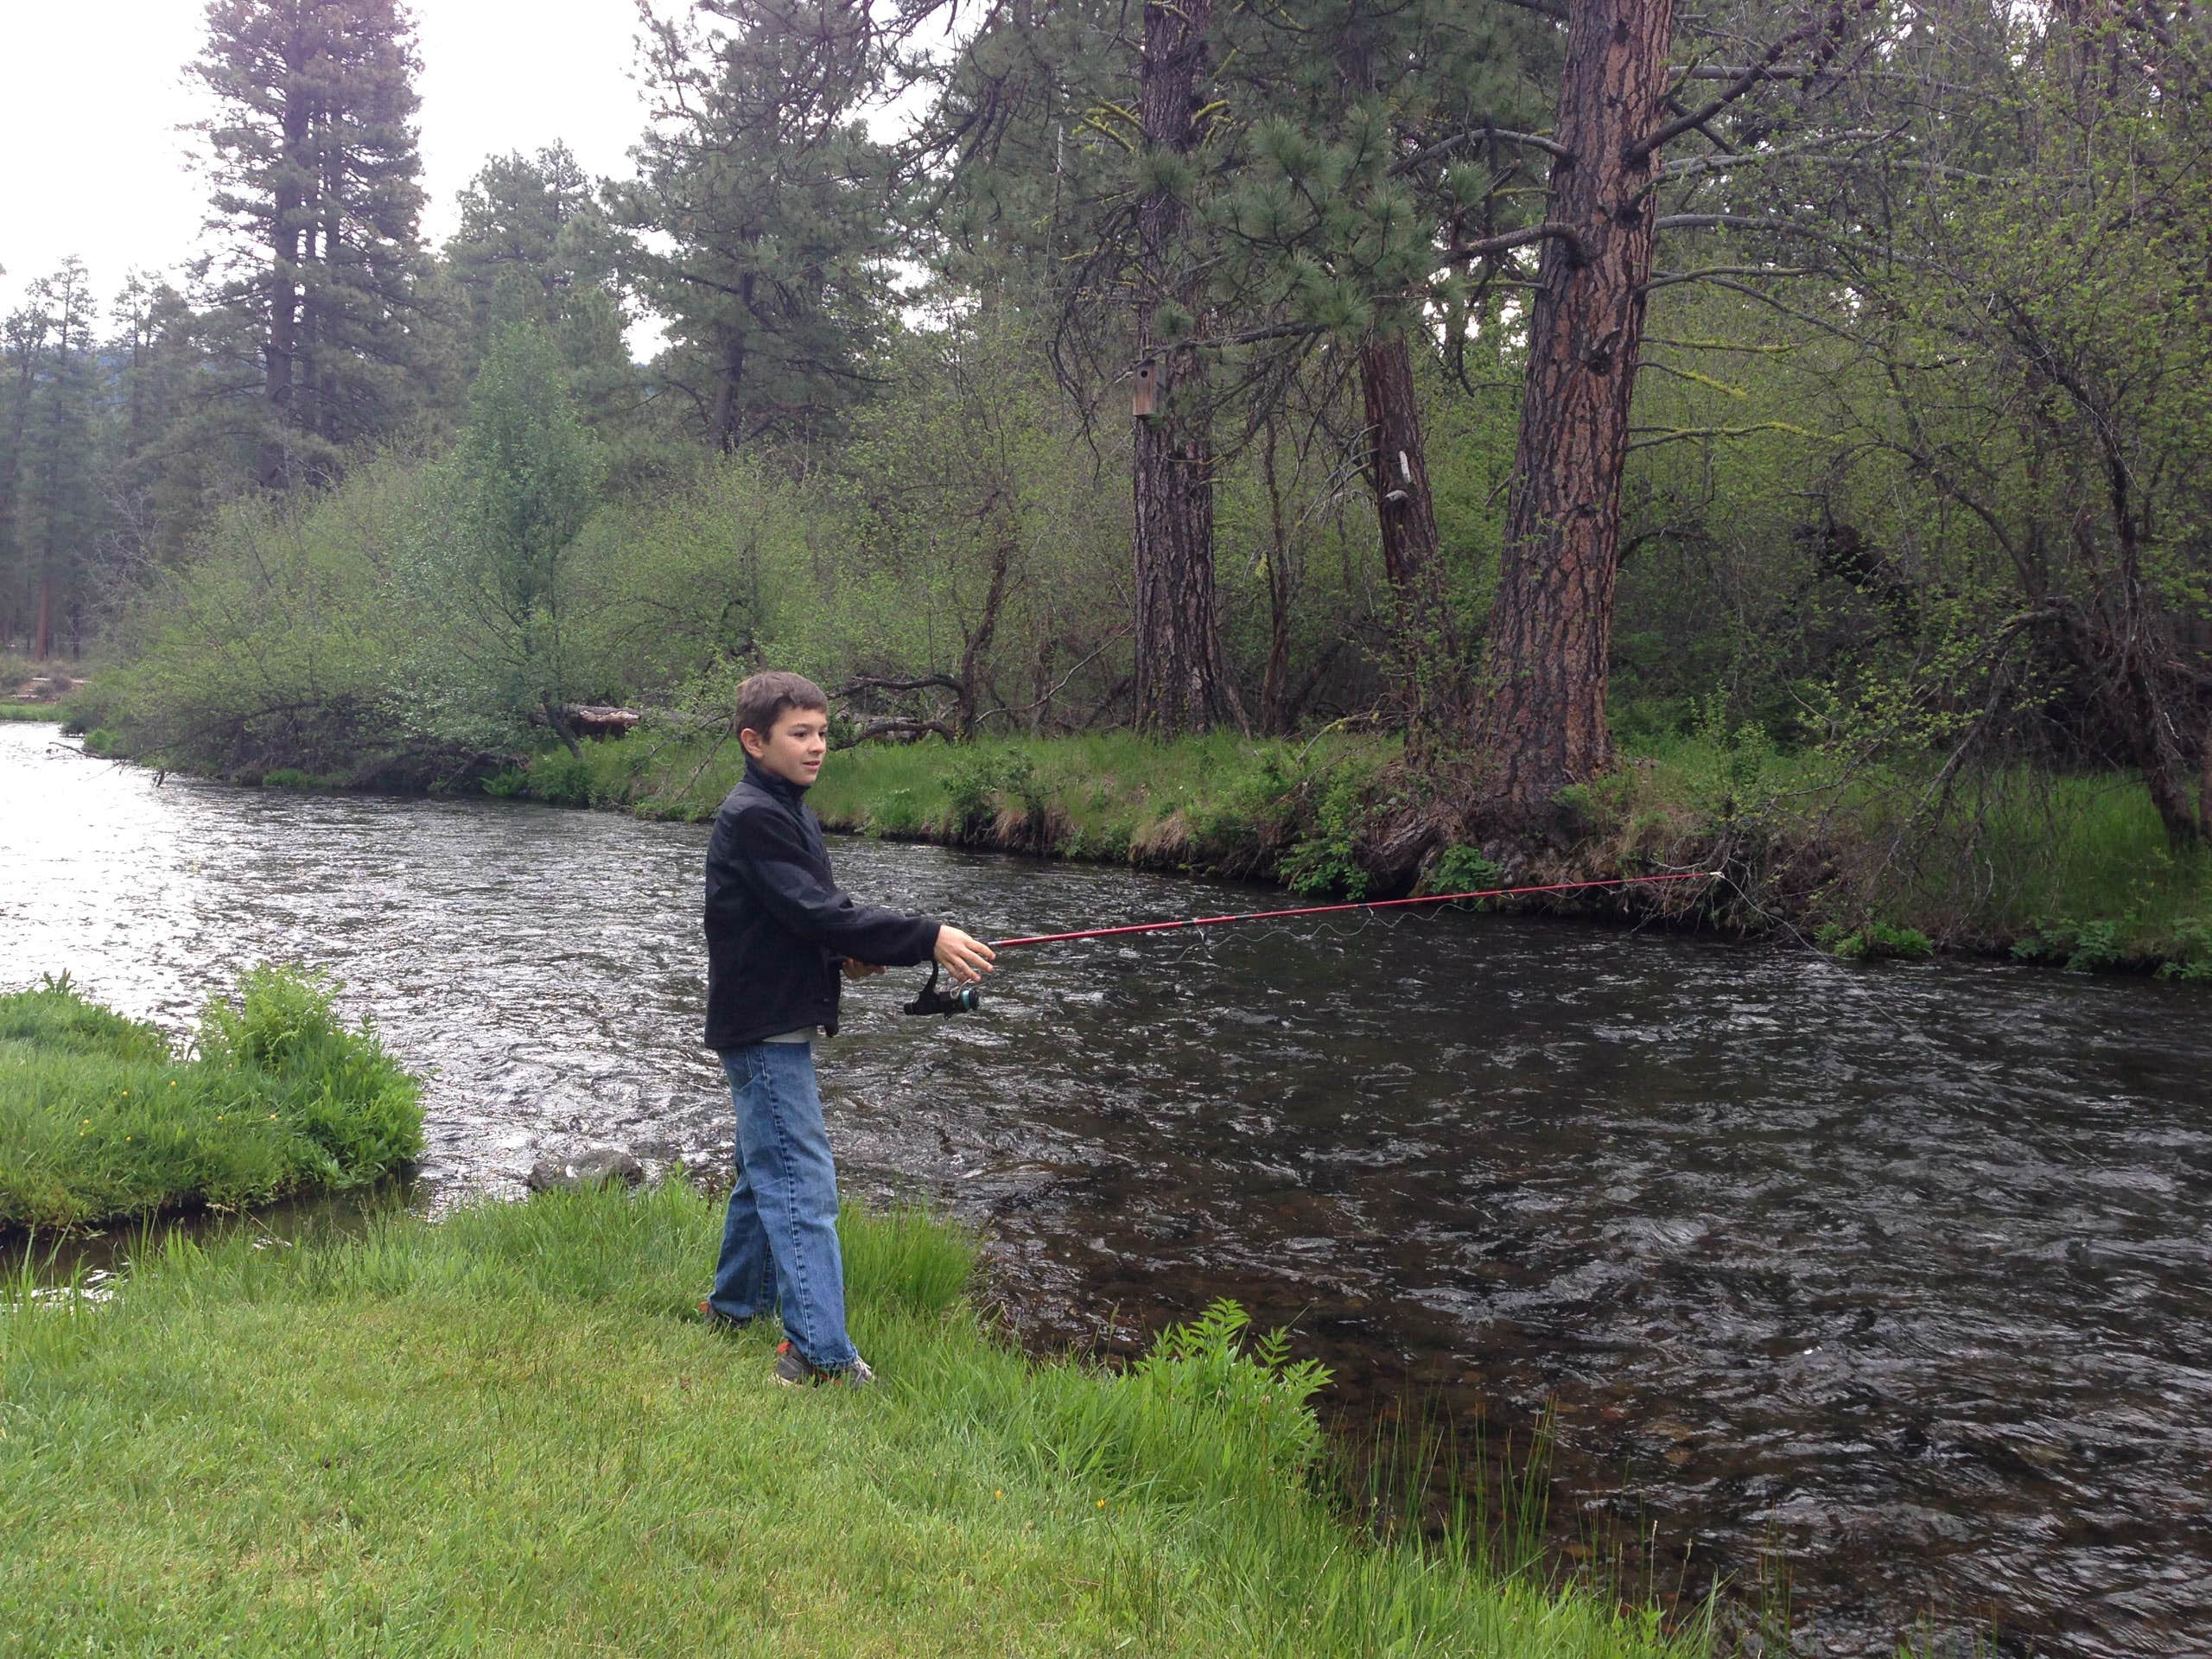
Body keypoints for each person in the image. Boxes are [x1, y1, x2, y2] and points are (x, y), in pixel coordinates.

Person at [699, 670, 995, 1386]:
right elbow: (814, 912)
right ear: (753, 740)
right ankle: (818, 1355)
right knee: (802, 1184)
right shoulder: (755, 815)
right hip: (765, 1028)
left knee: (760, 1172)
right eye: (800, 734)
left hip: (766, 1018)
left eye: (823, 733)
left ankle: (733, 1307)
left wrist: (847, 953)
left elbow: (808, 911)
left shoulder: (785, 807)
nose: (817, 746)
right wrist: (925, 935)